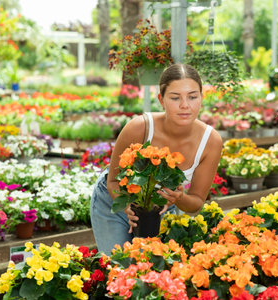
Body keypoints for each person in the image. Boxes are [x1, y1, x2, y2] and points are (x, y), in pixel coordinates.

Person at [90, 64, 223, 254]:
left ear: (202, 98)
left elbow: (196, 202)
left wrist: (180, 197)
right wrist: (125, 205)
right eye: (175, 98)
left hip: (159, 206)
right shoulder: (139, 128)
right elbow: (112, 180)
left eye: (193, 97)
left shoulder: (211, 141)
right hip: (114, 201)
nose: (185, 105)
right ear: (161, 99)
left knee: (152, 270)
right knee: (117, 266)